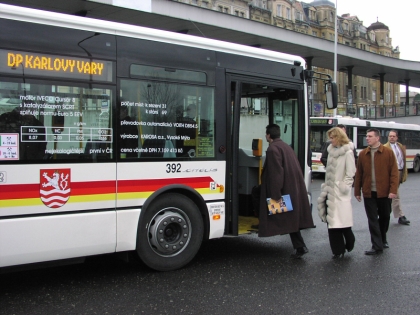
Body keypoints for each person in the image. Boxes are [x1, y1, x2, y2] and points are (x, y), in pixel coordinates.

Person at [258, 124, 315, 259]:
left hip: (282, 190)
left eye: (266, 134)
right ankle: (300, 247)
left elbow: (276, 173)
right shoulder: (285, 146)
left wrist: (276, 194)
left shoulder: (273, 149)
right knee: (289, 219)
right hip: (291, 188)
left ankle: (300, 247)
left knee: (284, 219)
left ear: (268, 135)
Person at [354, 128, 399, 255]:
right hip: (369, 192)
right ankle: (376, 245)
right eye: (367, 136)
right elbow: (359, 174)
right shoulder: (363, 154)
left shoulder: (388, 153)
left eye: (370, 136)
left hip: (384, 192)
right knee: (372, 219)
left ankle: (383, 238)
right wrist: (357, 191)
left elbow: (394, 174)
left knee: (385, 216)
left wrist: (393, 190)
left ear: (377, 138)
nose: (367, 138)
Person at [317, 127, 356, 259]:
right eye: (330, 138)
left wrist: (344, 187)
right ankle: (337, 250)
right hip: (329, 190)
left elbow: (351, 173)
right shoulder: (330, 151)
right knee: (332, 222)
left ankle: (350, 240)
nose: (330, 140)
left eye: (333, 137)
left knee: (343, 223)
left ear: (339, 137)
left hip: (340, 192)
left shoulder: (347, 152)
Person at [384, 130, 410, 225]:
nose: (391, 138)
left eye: (393, 136)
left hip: (399, 172)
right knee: (395, 194)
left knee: (391, 195)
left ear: (396, 137)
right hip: (391, 174)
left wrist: (403, 173)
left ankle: (385, 214)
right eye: (390, 136)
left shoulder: (400, 146)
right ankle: (400, 216)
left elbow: (403, 160)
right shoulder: (385, 148)